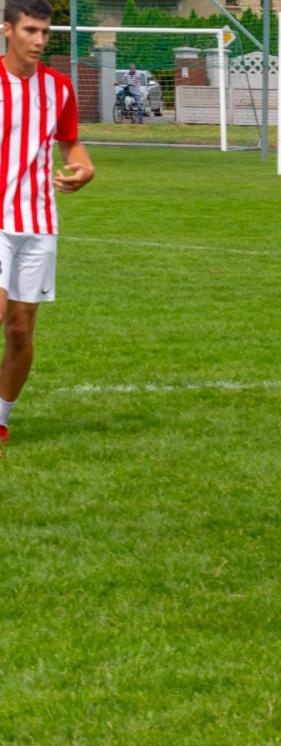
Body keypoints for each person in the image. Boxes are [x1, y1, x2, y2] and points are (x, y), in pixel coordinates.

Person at [0, 0, 93, 446]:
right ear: (7, 30)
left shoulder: (58, 88)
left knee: (20, 330)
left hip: (38, 222)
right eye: (30, 31)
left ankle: (0, 420)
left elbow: (71, 145)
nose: (39, 41)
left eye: (45, 33)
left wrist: (84, 168)